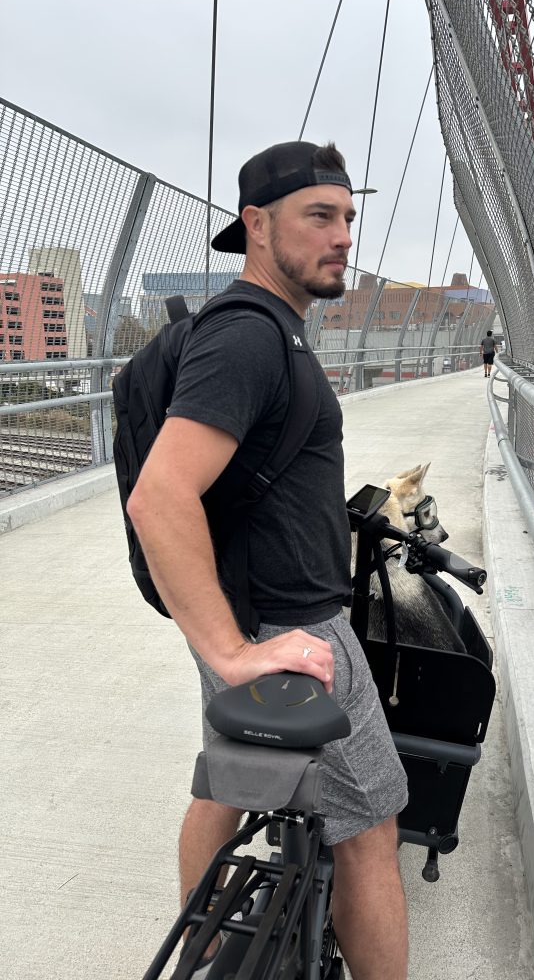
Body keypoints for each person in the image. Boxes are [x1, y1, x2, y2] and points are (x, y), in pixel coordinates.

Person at [127, 141, 409, 980]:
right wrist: (231, 651)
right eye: (319, 216)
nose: (343, 237)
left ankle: (207, 954)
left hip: (259, 609)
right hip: (293, 625)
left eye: (349, 217)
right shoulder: (250, 338)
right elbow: (160, 496)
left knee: (227, 777)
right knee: (371, 828)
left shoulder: (269, 330)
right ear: (257, 225)